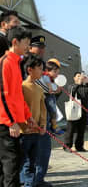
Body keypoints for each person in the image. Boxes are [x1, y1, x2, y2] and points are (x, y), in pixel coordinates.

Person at [0, 26, 34, 186]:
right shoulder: (5, 63)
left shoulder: (16, 63)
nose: (28, 47)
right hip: (5, 124)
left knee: (14, 163)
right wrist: (10, 121)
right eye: (26, 43)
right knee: (11, 166)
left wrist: (28, 115)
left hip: (13, 123)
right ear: (15, 42)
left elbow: (17, 95)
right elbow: (2, 94)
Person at [20, 55, 47, 187]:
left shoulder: (39, 89)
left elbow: (43, 109)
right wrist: (24, 124)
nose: (42, 72)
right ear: (30, 69)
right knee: (23, 162)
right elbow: (18, 108)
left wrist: (43, 124)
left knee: (33, 161)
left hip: (36, 132)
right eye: (40, 68)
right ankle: (27, 183)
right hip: (23, 132)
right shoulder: (21, 86)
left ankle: (29, 183)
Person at [63, 72, 88, 152]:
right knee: (70, 130)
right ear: (74, 78)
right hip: (73, 111)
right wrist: (78, 83)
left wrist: (87, 82)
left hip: (83, 111)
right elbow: (72, 92)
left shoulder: (85, 87)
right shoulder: (71, 86)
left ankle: (79, 146)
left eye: (81, 76)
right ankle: (67, 146)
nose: (80, 77)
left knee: (81, 130)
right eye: (78, 76)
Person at [39, 59, 63, 135]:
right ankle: (54, 126)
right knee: (52, 110)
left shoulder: (53, 79)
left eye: (58, 72)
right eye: (55, 72)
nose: (57, 74)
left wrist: (57, 89)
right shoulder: (45, 75)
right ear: (47, 70)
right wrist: (50, 87)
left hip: (50, 95)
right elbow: (48, 84)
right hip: (46, 95)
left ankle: (53, 126)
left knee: (53, 112)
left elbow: (54, 89)